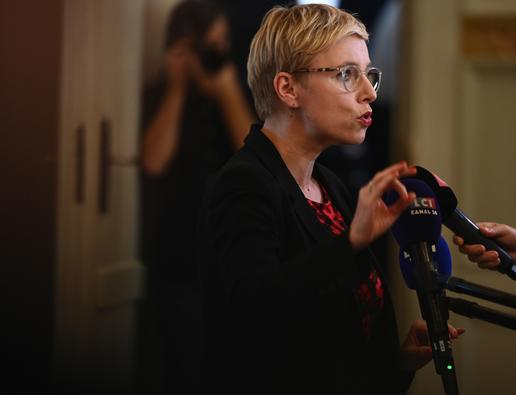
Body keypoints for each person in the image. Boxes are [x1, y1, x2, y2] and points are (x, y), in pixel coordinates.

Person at [197, 4, 463, 394]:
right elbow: (255, 315)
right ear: (288, 89)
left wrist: (393, 362)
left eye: (369, 75)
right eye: (346, 75)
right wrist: (351, 243)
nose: (370, 93)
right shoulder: (244, 185)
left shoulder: (331, 186)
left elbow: (331, 343)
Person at [138, 1, 254, 394]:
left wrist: (227, 95)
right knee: (183, 371)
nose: (218, 54)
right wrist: (177, 89)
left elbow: (257, 162)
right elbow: (153, 162)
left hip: (234, 262)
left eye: (223, 43)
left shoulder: (236, 91)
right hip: (177, 261)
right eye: (210, 45)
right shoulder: (159, 94)